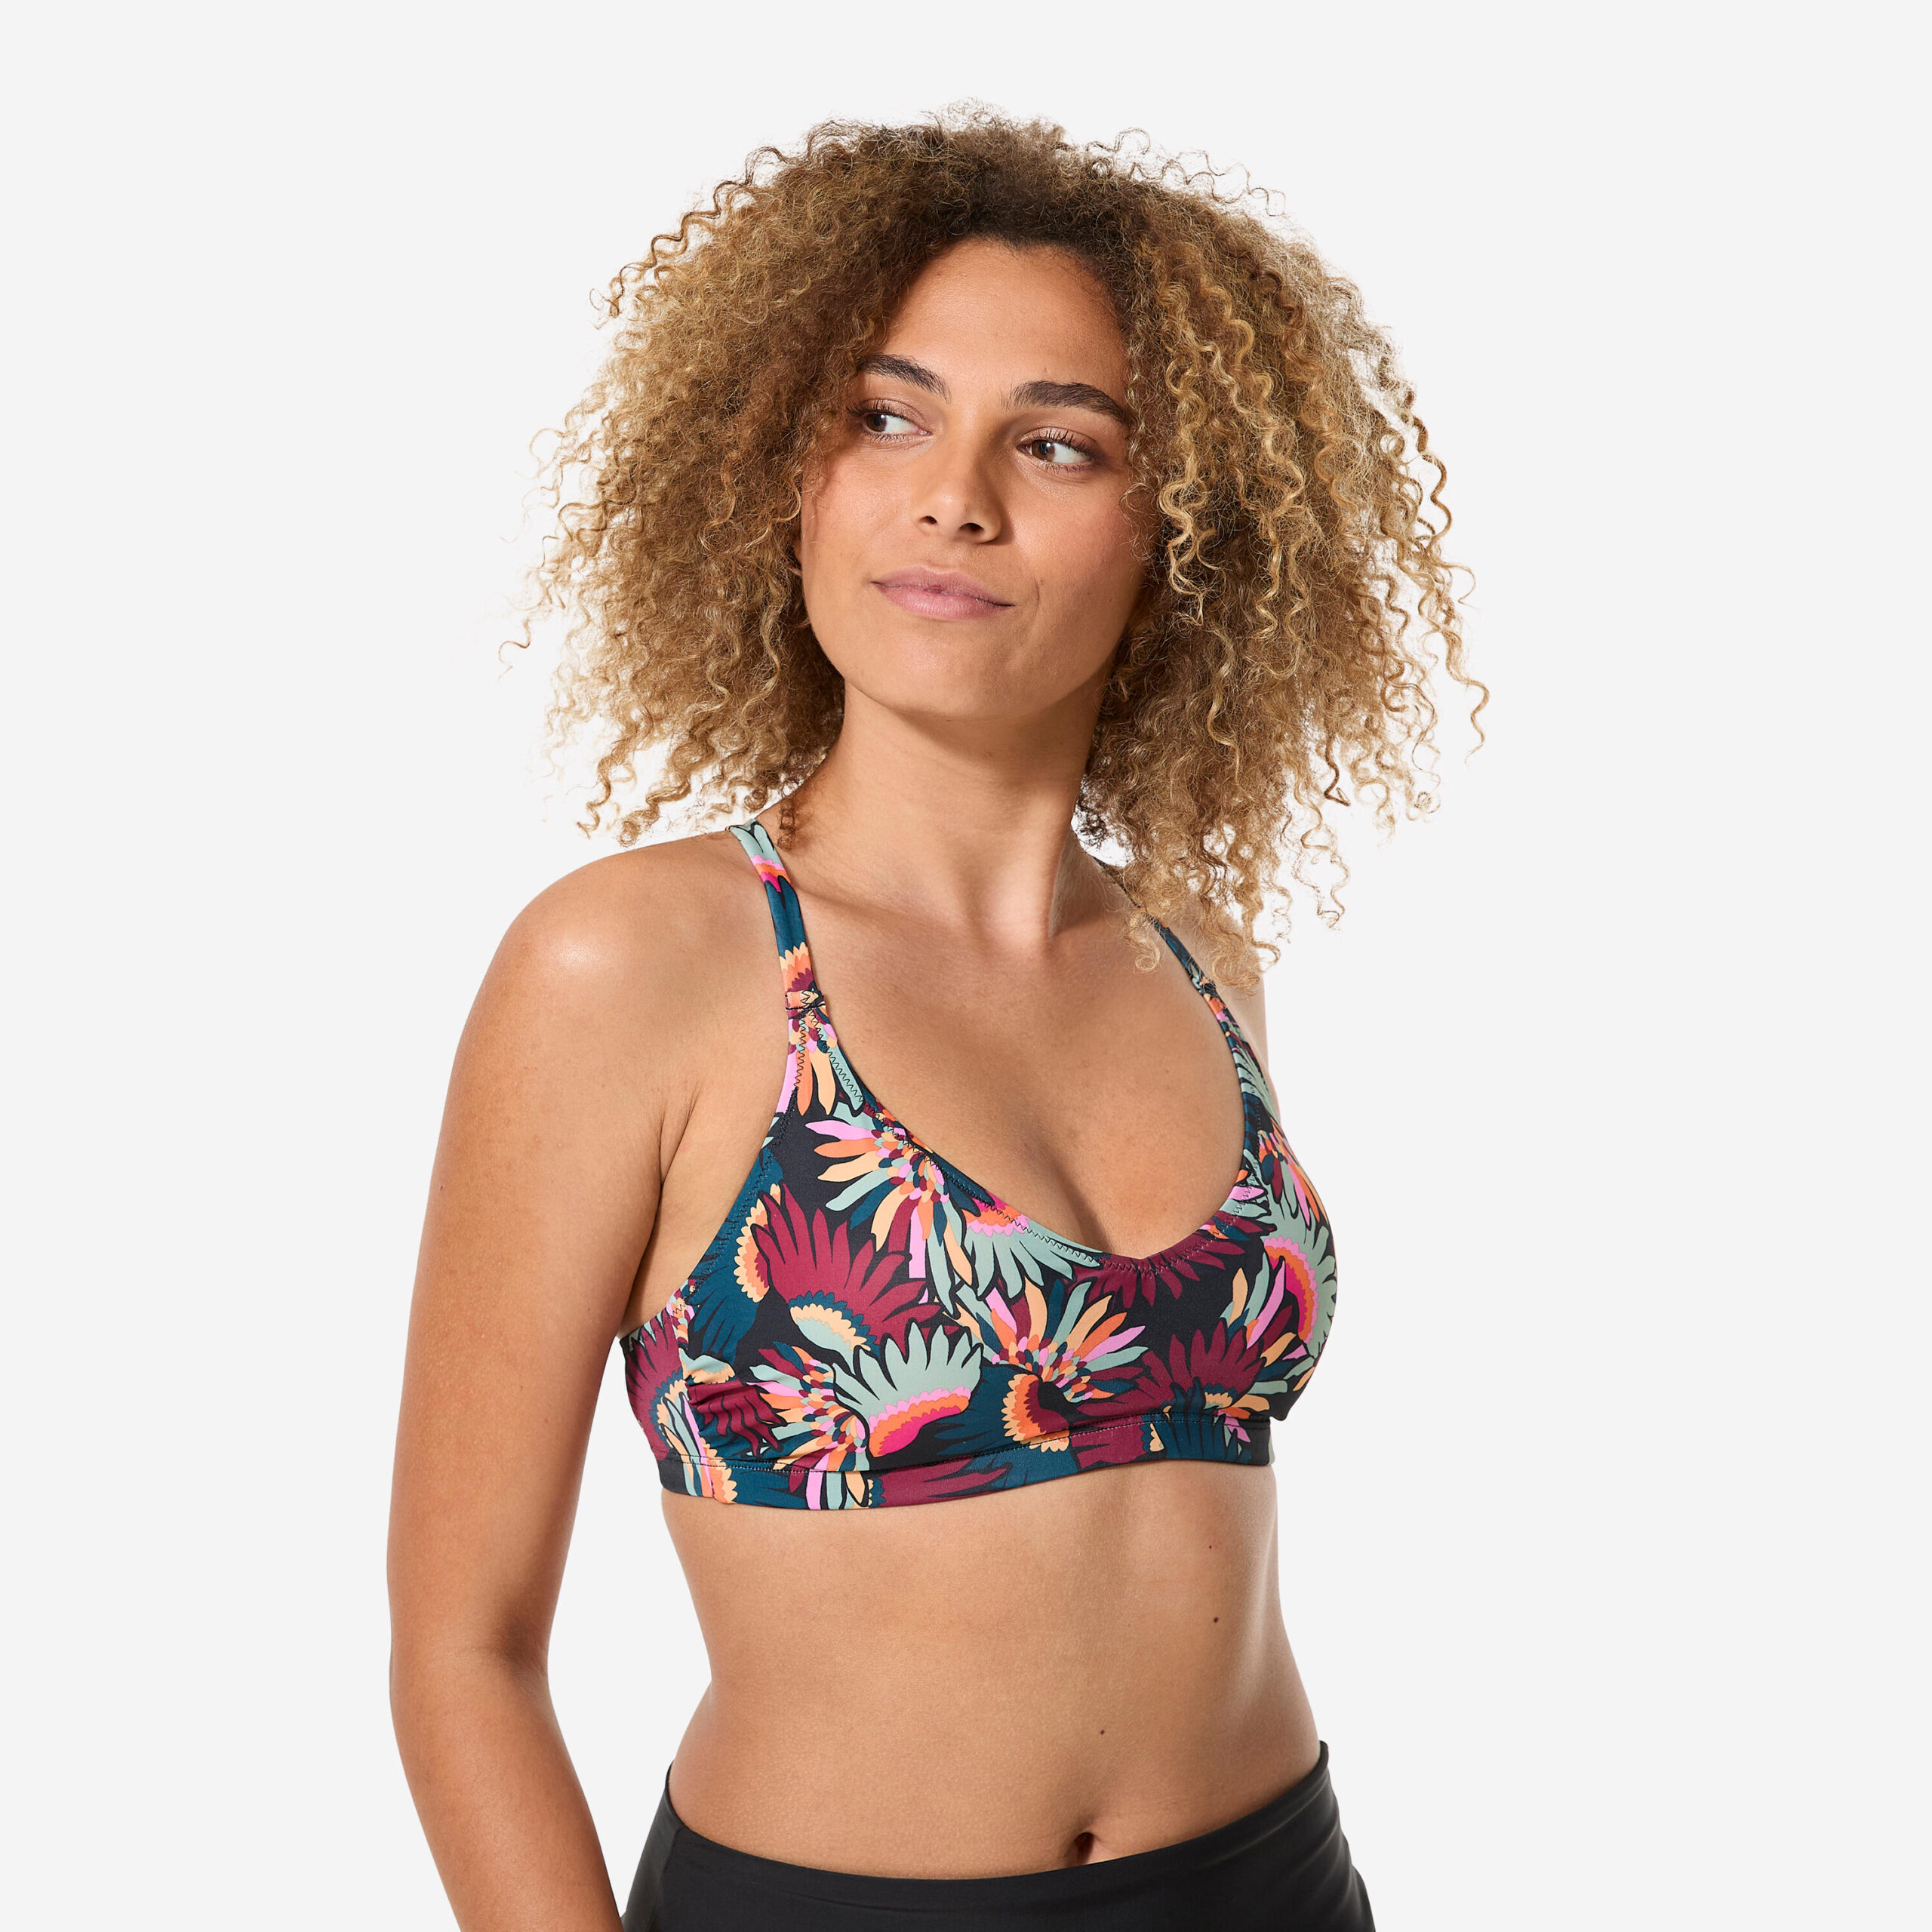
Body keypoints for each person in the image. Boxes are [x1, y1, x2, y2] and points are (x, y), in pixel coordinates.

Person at [388, 109, 1477, 1931]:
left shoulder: (1200, 958)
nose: (951, 496)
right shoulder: (632, 964)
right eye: (884, 418)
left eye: (1055, 444)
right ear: (784, 476)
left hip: (1279, 1880)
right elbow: (461, 1648)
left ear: (1183, 532)